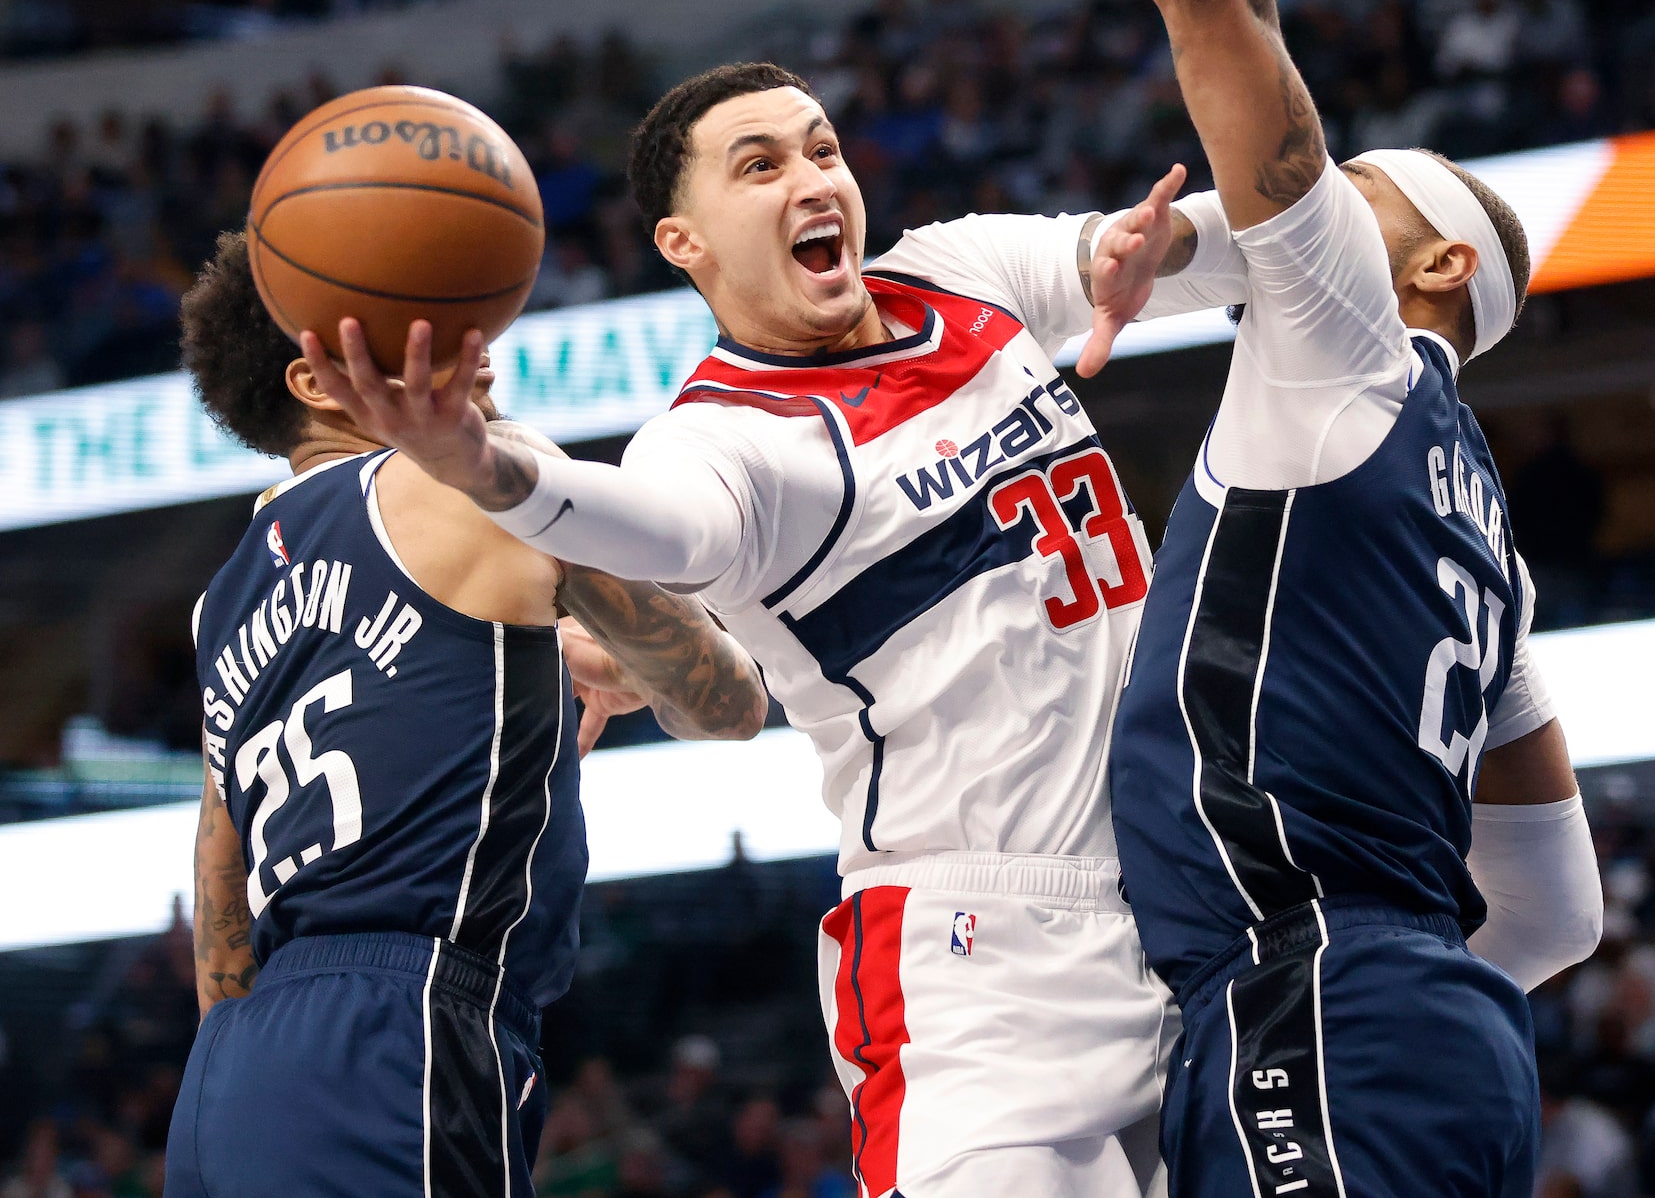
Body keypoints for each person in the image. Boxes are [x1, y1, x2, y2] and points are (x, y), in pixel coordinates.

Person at [299, 62, 1251, 1198]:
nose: (811, 179)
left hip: (1195, 889)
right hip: (984, 965)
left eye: (822, 151)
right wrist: (488, 468)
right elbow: (654, 527)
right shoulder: (719, 441)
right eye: (760, 167)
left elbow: (1225, 245)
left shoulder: (958, 271)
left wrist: (1167, 248)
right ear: (682, 242)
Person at [1092, 0, 1603, 1198]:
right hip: (1416, 1035)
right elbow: (1556, 905)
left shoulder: (1351, 350)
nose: (1297, 206)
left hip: (1332, 1006)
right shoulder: (1486, 534)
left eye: (1349, 184)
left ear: (1437, 256)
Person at [166, 231, 764, 1198]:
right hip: (400, 1021)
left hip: (233, 1076)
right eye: (424, 328)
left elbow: (219, 875)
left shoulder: (218, 605)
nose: (474, 339)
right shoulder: (465, 475)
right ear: (320, 381)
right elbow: (728, 701)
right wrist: (637, 669)